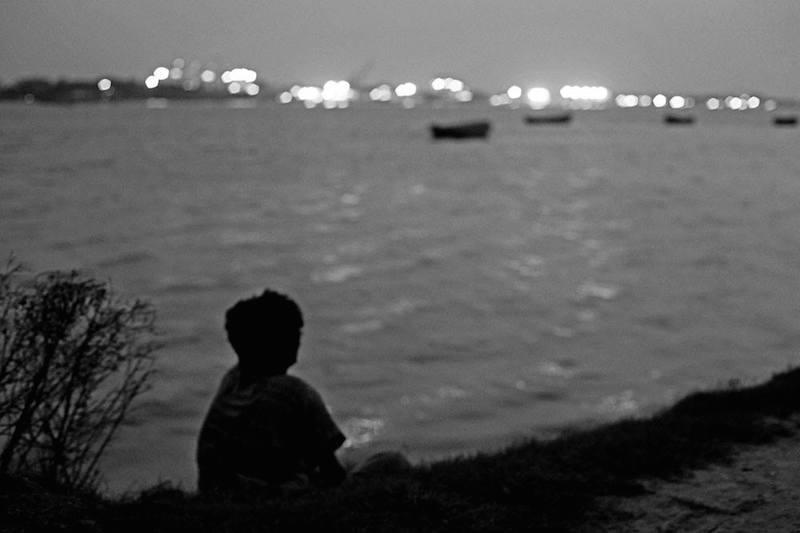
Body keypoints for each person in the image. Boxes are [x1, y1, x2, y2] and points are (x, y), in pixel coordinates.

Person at [196, 289, 347, 495]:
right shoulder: (295, 392)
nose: (298, 340)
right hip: (274, 495)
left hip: (216, 491)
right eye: (294, 333)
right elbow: (332, 471)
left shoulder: (231, 380)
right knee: (390, 462)